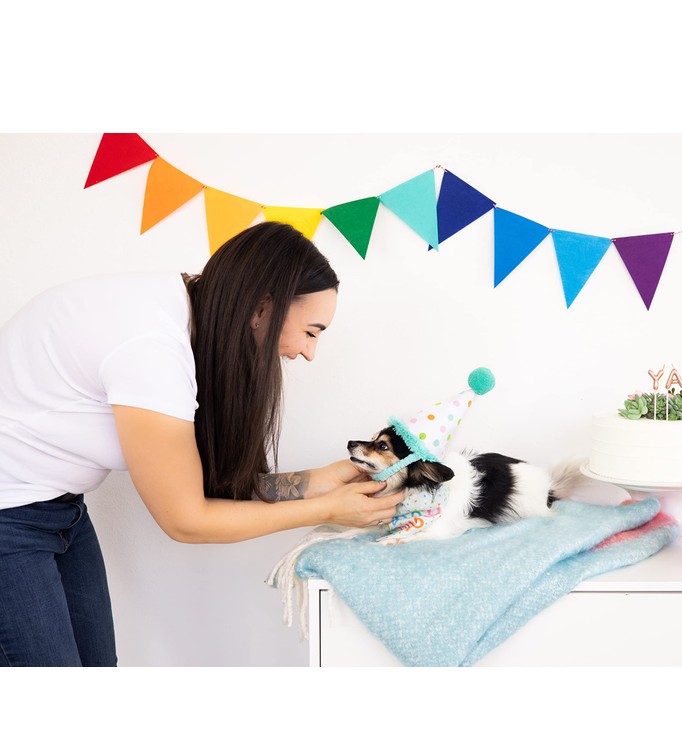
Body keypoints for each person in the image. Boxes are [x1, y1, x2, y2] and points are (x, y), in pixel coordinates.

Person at [0, 221, 405, 667]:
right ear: (262, 308)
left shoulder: (188, 320)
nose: (309, 353)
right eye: (311, 332)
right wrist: (326, 510)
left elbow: (211, 488)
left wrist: (321, 481)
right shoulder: (152, 348)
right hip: (9, 514)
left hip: (60, 509)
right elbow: (186, 520)